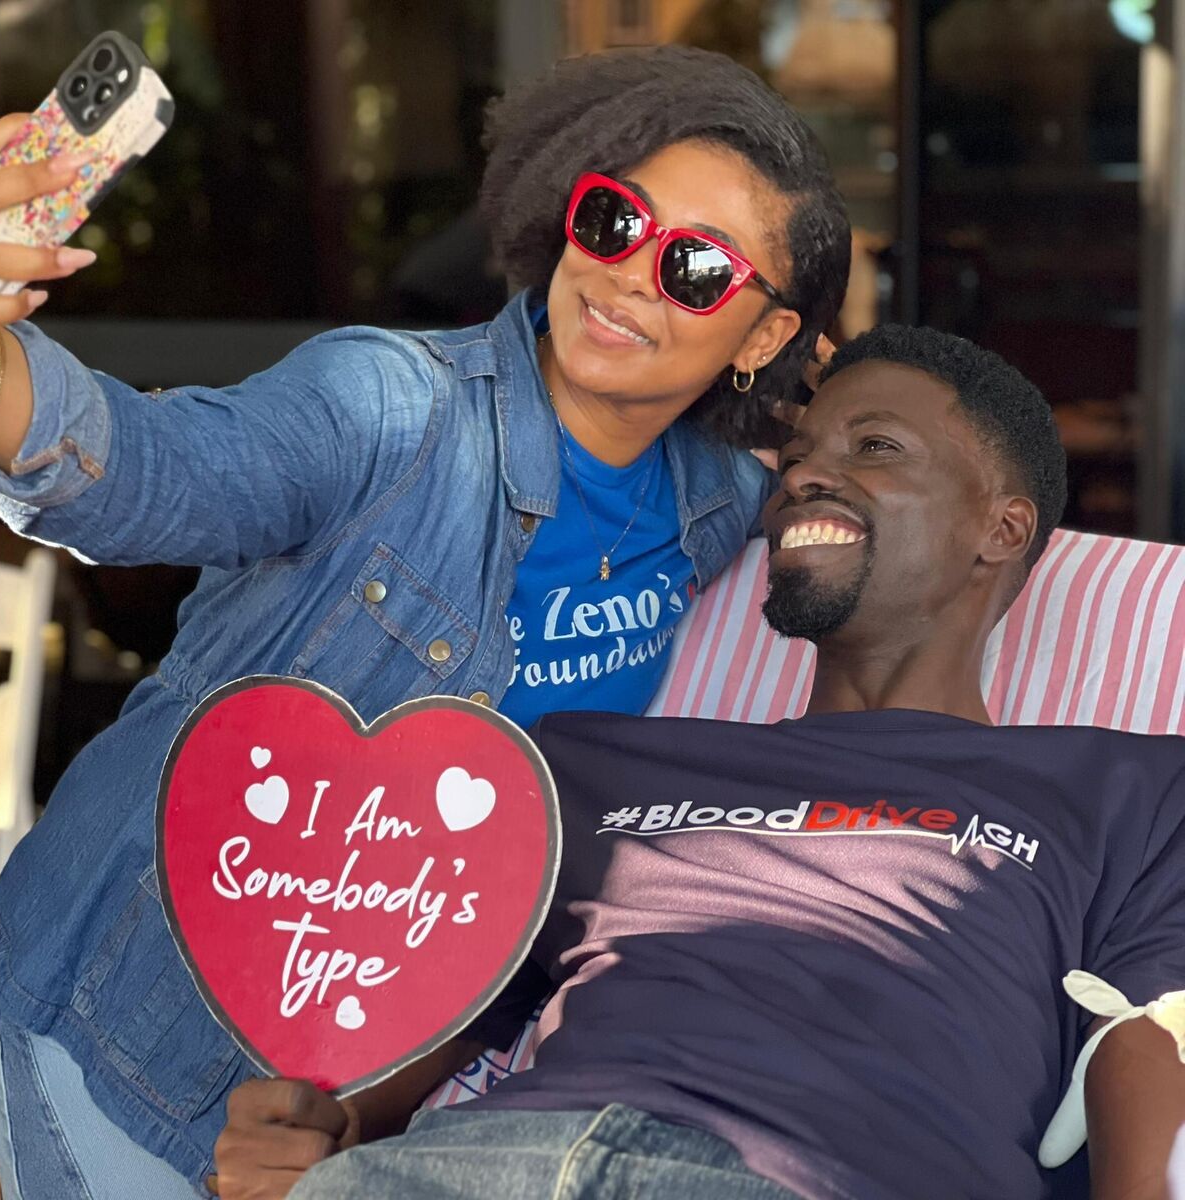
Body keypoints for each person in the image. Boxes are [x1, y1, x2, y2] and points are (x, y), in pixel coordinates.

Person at [0, 45, 852, 1199]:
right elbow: (140, 470)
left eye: (696, 268)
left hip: (362, 1106)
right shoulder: (389, 407)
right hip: (121, 1028)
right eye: (615, 222)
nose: (632, 276)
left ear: (761, 339)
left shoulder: (715, 506)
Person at [215, 325, 1185, 1200]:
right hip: (477, 1165)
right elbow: (428, 1018)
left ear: (1001, 529)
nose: (804, 476)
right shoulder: (585, 764)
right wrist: (321, 1128)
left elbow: (1147, 1045)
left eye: (875, 447)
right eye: (797, 456)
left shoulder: (1128, 794)